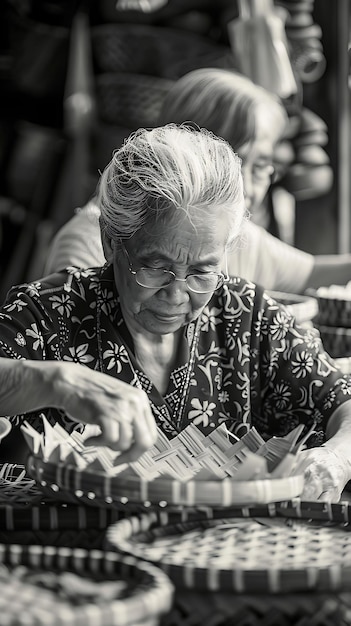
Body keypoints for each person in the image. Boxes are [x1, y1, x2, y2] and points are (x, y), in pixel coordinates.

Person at [1, 123, 351, 502]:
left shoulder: (248, 317)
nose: (177, 293)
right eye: (155, 267)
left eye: (202, 271)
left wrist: (336, 459)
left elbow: (342, 403)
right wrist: (52, 382)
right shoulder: (46, 316)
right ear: (110, 243)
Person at [44, 68, 351, 294]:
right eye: (237, 164)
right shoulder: (90, 243)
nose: (246, 186)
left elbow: (313, 273)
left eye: (262, 166)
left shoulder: (230, 233)